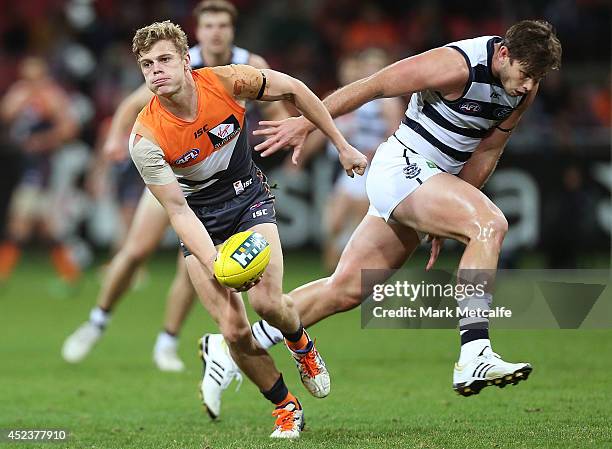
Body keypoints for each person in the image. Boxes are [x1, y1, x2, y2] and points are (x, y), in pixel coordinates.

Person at [251, 20, 562, 396]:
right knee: (489, 223)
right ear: (503, 54)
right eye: (526, 74)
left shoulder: (522, 89)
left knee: (346, 290)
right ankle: (474, 352)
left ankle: (237, 345)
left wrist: (448, 214)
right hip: (402, 167)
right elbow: (374, 86)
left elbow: (488, 150)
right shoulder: (455, 64)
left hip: (429, 182)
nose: (529, 85)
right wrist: (308, 122)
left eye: (537, 77)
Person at [128, 21, 366, 438]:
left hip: (247, 200)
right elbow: (179, 211)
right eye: (147, 65)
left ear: (187, 61)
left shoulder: (227, 81)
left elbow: (294, 89)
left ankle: (301, 345)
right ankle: (286, 407)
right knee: (234, 329)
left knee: (269, 303)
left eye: (165, 59)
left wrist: (340, 144)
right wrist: (215, 261)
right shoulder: (145, 138)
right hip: (199, 220)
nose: (156, 71)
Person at [62, 0, 289, 377]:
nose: (215, 32)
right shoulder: (172, 61)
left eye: (222, 25)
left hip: (227, 169)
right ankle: (97, 321)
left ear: (231, 31)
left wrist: (285, 133)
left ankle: (167, 341)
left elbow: (280, 107)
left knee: (196, 268)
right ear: (196, 35)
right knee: (136, 251)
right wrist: (116, 140)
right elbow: (134, 103)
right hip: (178, 174)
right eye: (208, 25)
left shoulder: (249, 64)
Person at [297, 49, 405, 272]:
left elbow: (396, 136)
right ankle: (332, 278)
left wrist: (376, 151)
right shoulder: (358, 97)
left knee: (357, 225)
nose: (371, 70)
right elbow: (323, 130)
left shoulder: (389, 102)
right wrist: (302, 154)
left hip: (371, 168)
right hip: (345, 167)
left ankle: (354, 275)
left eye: (377, 65)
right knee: (334, 224)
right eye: (368, 66)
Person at [0, 57, 80, 283]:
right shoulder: (20, 93)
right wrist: (21, 100)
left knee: (19, 220)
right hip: (22, 163)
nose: (30, 82)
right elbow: (6, 115)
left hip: (41, 165)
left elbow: (69, 129)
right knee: (45, 226)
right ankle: (70, 273)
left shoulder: (52, 97)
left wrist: (43, 140)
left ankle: (2, 273)